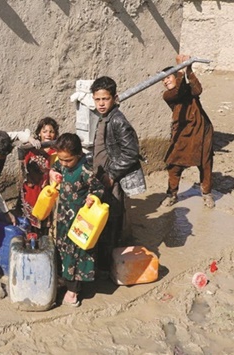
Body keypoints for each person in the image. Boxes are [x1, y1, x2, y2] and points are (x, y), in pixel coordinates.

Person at [90, 76, 146, 276]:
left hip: (111, 177)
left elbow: (131, 152)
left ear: (114, 98)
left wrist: (112, 174)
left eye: (105, 99)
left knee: (112, 217)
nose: (101, 103)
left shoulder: (118, 120)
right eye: (98, 100)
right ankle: (104, 257)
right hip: (103, 175)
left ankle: (109, 262)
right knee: (101, 215)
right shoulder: (104, 118)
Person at [49, 133, 104, 306]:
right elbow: (56, 168)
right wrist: (53, 172)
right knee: (63, 249)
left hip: (79, 220)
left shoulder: (85, 171)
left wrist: (92, 198)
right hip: (63, 217)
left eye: (68, 160)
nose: (64, 164)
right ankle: (64, 279)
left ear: (78, 155)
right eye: (61, 159)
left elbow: (99, 189)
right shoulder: (62, 164)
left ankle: (73, 291)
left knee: (76, 253)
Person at [161, 54, 215, 208]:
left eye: (168, 77)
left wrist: (188, 69)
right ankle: (171, 194)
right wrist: (180, 70)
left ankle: (206, 193)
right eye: (163, 80)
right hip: (182, 133)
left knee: (205, 164)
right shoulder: (169, 95)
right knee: (174, 165)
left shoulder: (189, 89)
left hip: (202, 130)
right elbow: (178, 91)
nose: (165, 81)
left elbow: (197, 89)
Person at [20, 117, 59, 234]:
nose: (48, 134)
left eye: (51, 131)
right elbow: (24, 167)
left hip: (47, 188)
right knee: (31, 214)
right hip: (32, 187)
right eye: (45, 131)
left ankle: (44, 236)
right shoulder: (31, 149)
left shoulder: (56, 151)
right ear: (39, 133)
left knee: (46, 211)